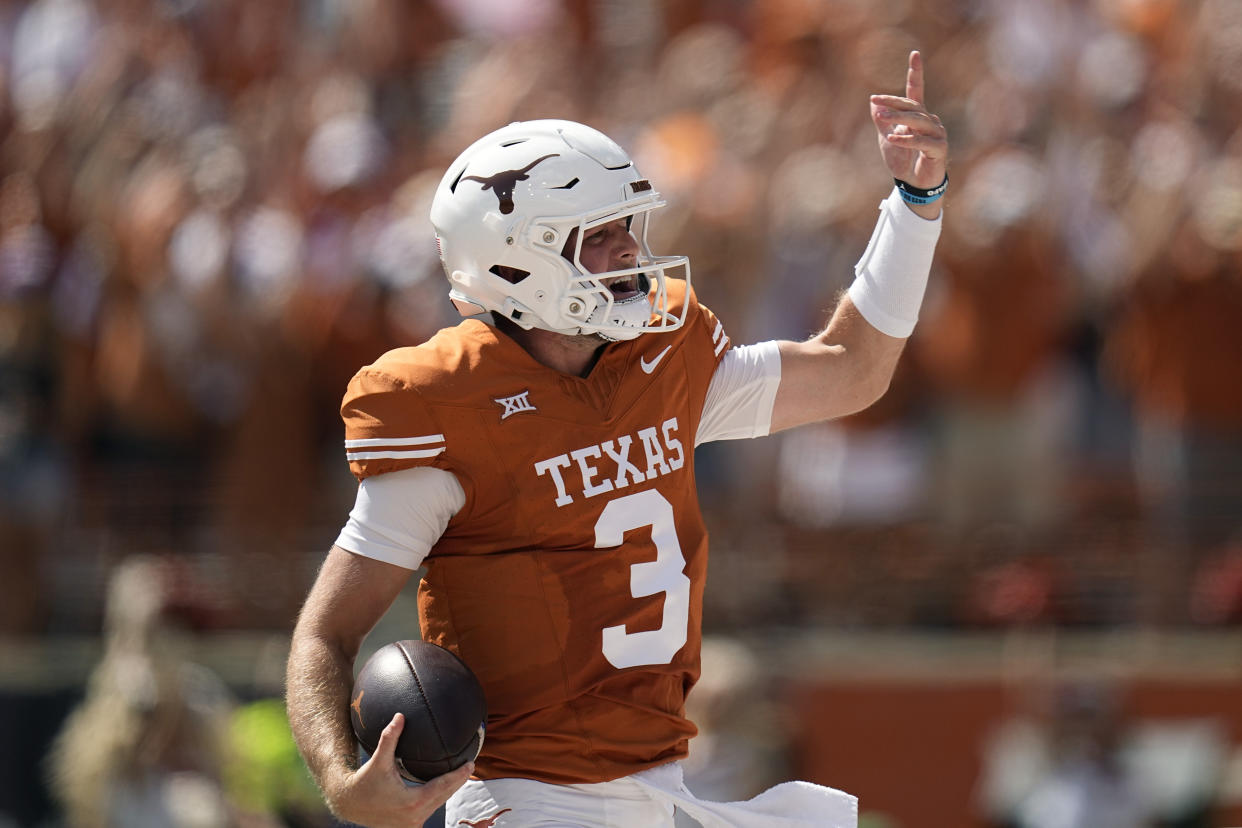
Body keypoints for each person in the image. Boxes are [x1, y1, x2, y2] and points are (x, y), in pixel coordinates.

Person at [285, 51, 948, 828]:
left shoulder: (660, 362)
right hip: (525, 797)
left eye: (629, 227)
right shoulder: (446, 408)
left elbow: (852, 369)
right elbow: (326, 633)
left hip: (661, 788)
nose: (630, 252)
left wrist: (916, 201)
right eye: (597, 236)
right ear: (515, 259)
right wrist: (339, 775)